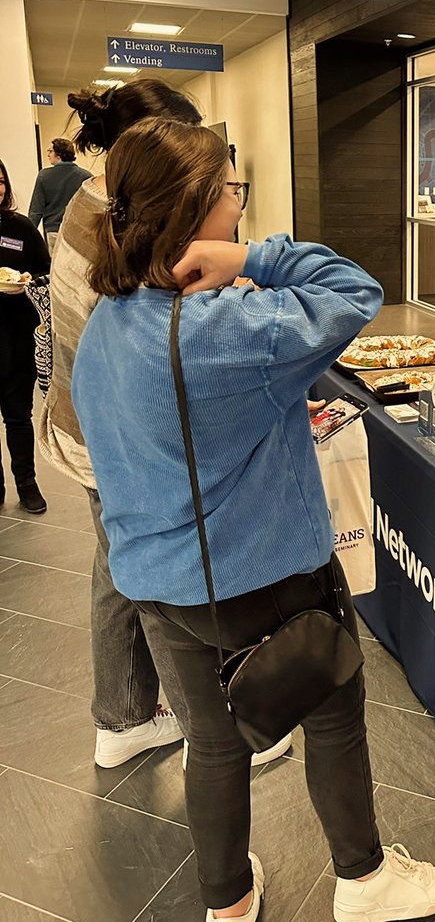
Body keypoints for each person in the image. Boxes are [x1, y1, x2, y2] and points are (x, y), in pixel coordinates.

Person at [71, 117, 435, 922]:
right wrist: (252, 260)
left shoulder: (109, 322)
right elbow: (355, 291)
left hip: (158, 582)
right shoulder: (228, 331)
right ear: (196, 211)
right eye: (231, 194)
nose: (240, 209)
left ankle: (227, 900)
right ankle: (362, 881)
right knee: (333, 716)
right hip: (270, 578)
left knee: (212, 744)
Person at [38, 79, 207, 769]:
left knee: (116, 569)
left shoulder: (95, 197)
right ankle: (209, 731)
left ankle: (124, 718)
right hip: (110, 435)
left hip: (84, 424)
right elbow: (152, 333)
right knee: (153, 577)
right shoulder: (121, 216)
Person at [0, 157, 51, 513]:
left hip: (17, 331)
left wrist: (28, 281)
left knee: (19, 413)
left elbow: (44, 270)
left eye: (0, 180)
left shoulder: (19, 227)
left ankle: (27, 483)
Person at [27, 137, 92, 252]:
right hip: (78, 231)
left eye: (50, 151)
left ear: (59, 154)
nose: (48, 154)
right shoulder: (86, 176)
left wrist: (27, 237)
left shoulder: (44, 176)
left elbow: (36, 211)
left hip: (53, 231)